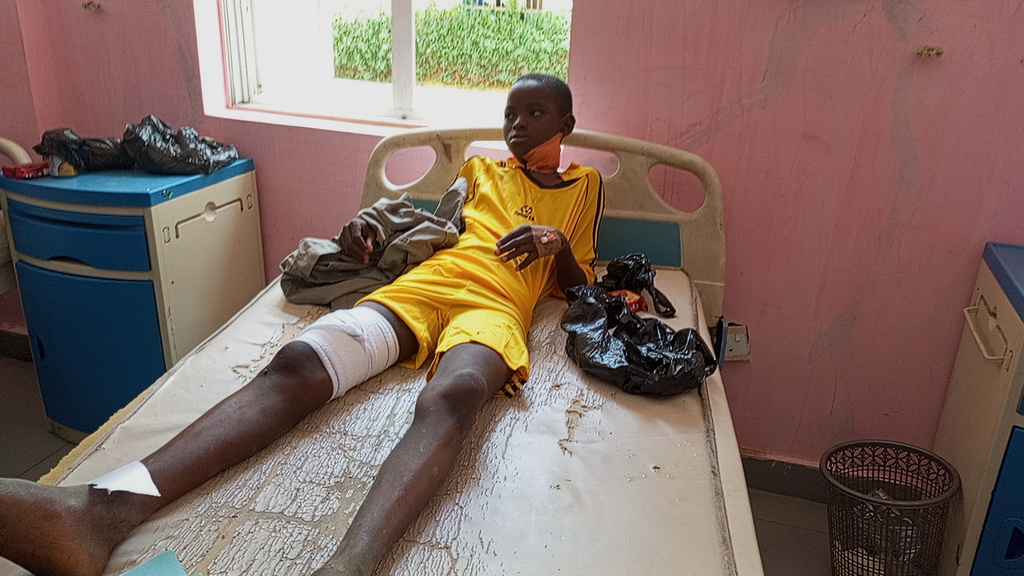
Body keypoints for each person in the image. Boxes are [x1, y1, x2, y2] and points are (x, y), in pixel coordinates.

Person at [0, 73, 604, 576]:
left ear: (565, 125)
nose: (518, 124)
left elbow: (582, 288)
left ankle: (349, 565)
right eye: (510, 113)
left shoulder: (586, 186)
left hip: (496, 304)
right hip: (429, 285)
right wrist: (378, 228)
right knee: (297, 364)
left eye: (535, 111)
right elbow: (436, 227)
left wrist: (555, 244)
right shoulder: (480, 172)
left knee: (459, 392)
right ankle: (97, 511)